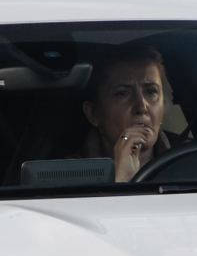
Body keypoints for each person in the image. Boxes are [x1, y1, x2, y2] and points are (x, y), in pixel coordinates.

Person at [80, 46, 188, 182]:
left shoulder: (190, 162)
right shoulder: (69, 175)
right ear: (93, 113)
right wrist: (121, 181)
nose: (142, 106)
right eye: (123, 93)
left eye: (151, 91)